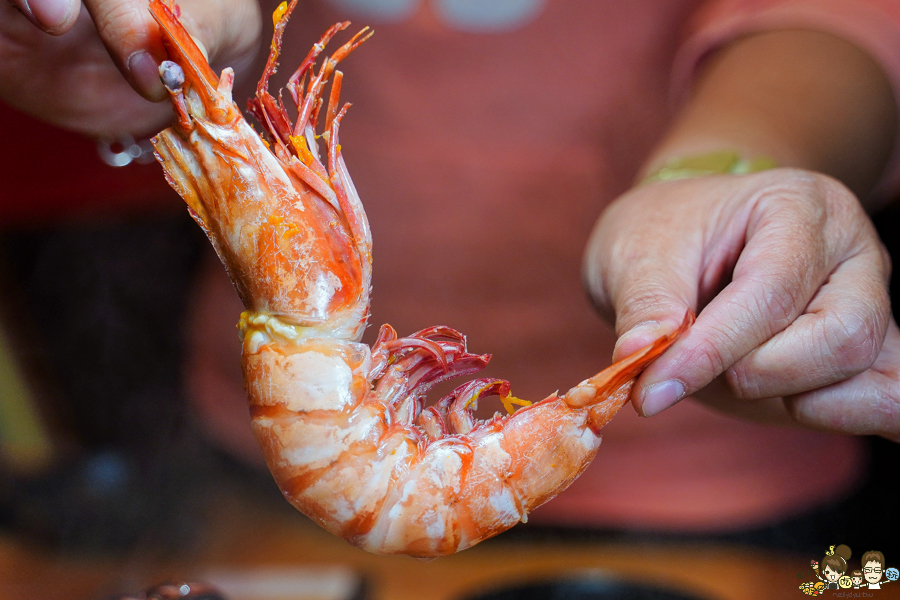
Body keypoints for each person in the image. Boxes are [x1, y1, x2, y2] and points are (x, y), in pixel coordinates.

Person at [1, 0, 899, 537]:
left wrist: (722, 171)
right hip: (266, 471)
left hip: (719, 491)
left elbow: (830, 19)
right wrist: (172, 36)